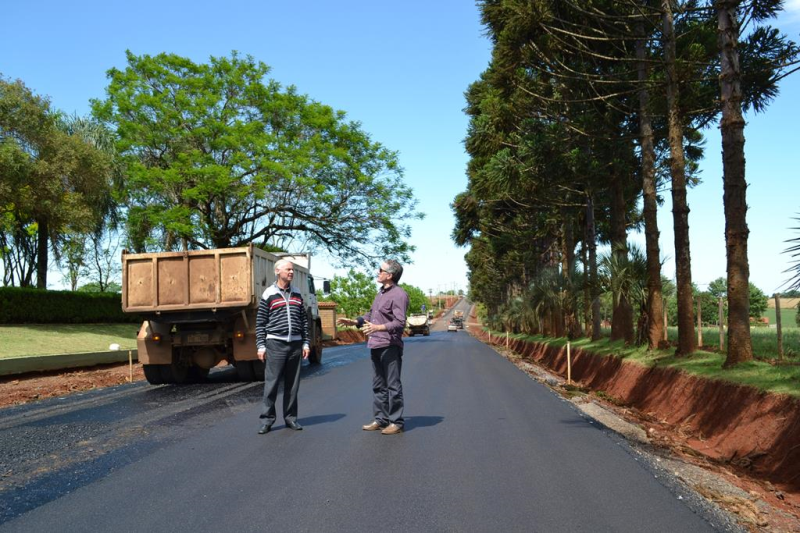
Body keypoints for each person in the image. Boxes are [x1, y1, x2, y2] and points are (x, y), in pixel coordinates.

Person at [338, 260, 409, 435]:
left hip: (390, 345)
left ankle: (397, 422)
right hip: (375, 344)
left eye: (380, 270)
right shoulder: (380, 293)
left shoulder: (399, 295)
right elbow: (371, 314)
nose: (377, 272)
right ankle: (381, 419)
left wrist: (378, 328)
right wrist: (355, 321)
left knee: (393, 385)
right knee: (378, 385)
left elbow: (400, 322)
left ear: (389, 275)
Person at [255, 259, 310, 434]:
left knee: (292, 385)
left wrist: (306, 342)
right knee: (271, 384)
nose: (291, 272)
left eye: (292, 270)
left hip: (295, 344)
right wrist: (261, 346)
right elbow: (261, 323)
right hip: (275, 344)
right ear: (277, 271)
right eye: (288, 269)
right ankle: (267, 420)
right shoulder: (268, 294)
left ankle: (291, 418)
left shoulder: (297, 294)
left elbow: (304, 321)